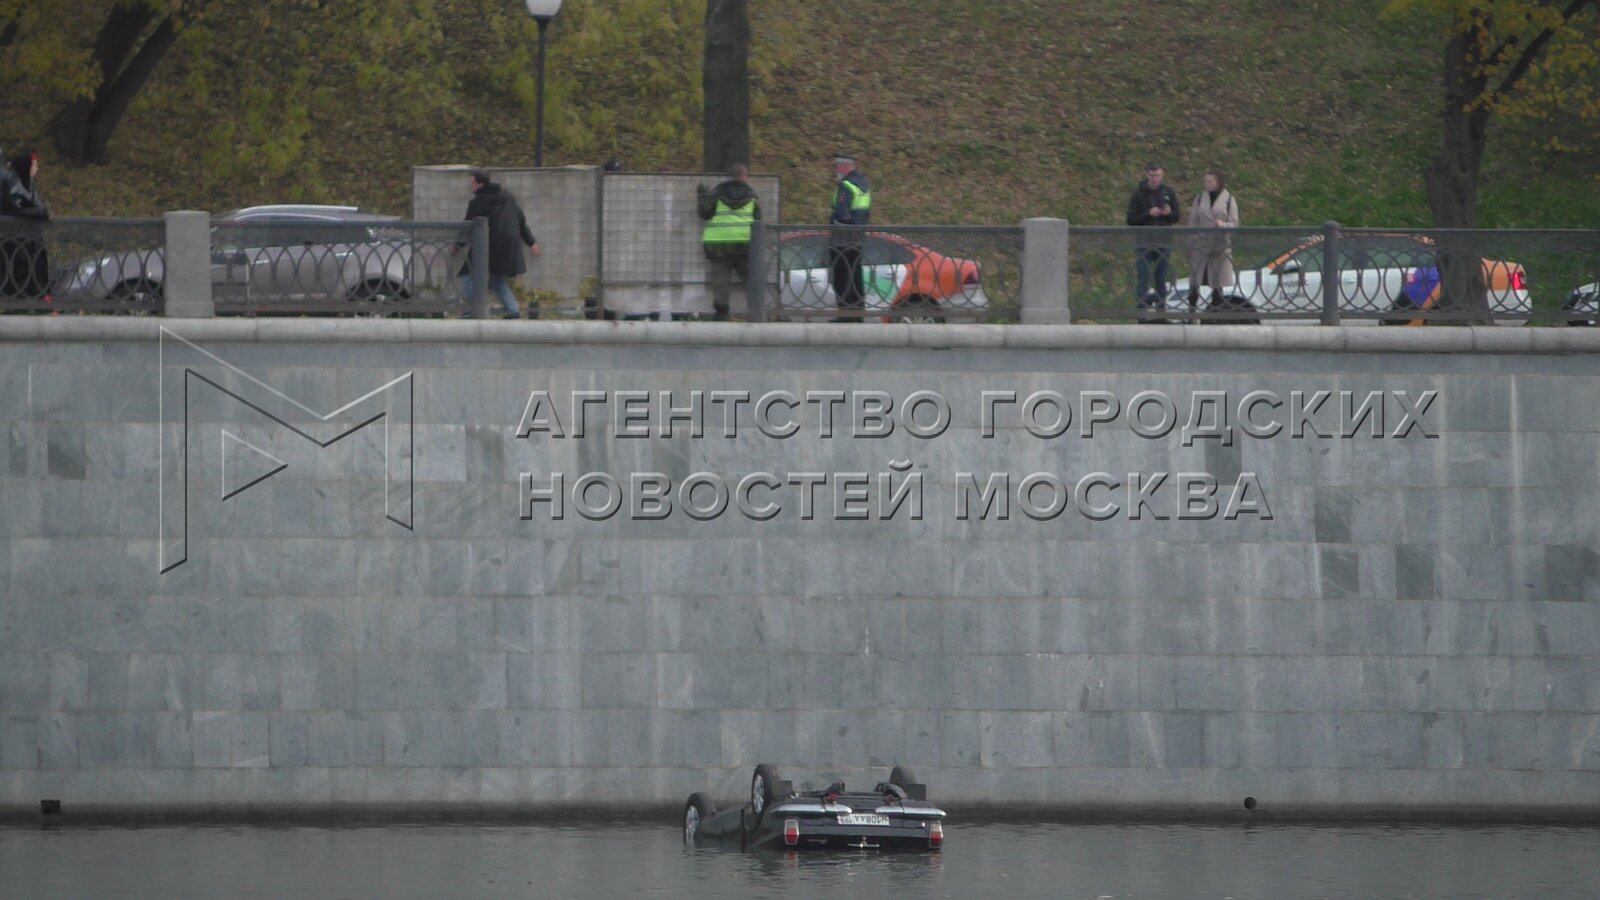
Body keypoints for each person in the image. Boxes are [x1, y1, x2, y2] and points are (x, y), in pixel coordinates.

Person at [460, 168, 539, 319]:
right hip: (507, 247)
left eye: (472, 183)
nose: (470, 186)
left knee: (468, 273)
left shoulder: (478, 202)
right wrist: (531, 242)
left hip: (489, 246)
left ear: (479, 184)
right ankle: (513, 311)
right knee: (496, 278)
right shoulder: (507, 197)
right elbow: (520, 219)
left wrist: (457, 247)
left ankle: (473, 308)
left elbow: (467, 228)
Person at [697, 162, 760, 321]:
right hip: (744, 244)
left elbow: (704, 213)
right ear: (745, 176)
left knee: (720, 281)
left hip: (719, 245)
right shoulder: (752, 195)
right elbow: (759, 221)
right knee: (750, 279)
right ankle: (757, 311)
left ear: (730, 177)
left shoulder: (716, 193)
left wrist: (702, 197)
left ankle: (722, 312)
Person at [1125, 161, 1180, 321]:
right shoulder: (1138, 194)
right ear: (1147, 175)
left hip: (1163, 240)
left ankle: (1161, 312)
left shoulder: (1169, 192)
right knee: (1143, 277)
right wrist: (1149, 213)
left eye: (1157, 175)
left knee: (1161, 277)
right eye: (1152, 175)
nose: (1155, 178)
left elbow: (1176, 216)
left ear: (1162, 174)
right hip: (1144, 240)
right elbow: (1131, 219)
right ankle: (1141, 313)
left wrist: (1168, 213)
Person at [0, 150, 53, 303]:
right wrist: (42, 213)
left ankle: (35, 298)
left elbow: (33, 203)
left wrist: (42, 211)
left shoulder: (28, 183)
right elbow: (17, 207)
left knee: (32, 268)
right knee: (17, 269)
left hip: (28, 238)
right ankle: (18, 301)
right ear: (26, 166)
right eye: (35, 165)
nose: (37, 169)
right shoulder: (12, 182)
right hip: (14, 238)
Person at [1186, 168, 1239, 315]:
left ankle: (1216, 316)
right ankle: (1192, 314)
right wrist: (1191, 243)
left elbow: (1234, 224)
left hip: (1219, 247)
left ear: (1218, 182)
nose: (1207, 184)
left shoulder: (1229, 199)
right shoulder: (1200, 198)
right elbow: (1193, 222)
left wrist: (1223, 225)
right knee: (1194, 283)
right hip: (1201, 245)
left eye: (1210, 181)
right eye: (1206, 181)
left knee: (1218, 285)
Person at [827, 151, 871, 322]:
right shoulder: (863, 184)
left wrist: (833, 226)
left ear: (844, 166)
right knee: (855, 273)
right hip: (858, 236)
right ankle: (858, 312)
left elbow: (842, 214)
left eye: (837, 166)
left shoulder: (846, 185)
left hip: (842, 237)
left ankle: (845, 313)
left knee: (841, 275)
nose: (835, 170)